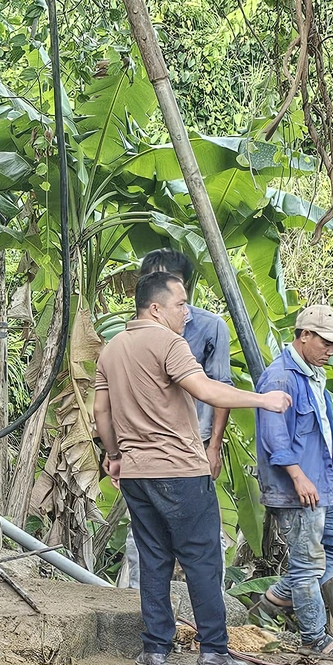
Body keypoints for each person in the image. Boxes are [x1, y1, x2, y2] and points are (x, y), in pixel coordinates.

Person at [93, 271, 291, 665]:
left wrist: (114, 455)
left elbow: (101, 412)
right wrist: (263, 399)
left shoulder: (111, 349)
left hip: (135, 475)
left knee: (153, 560)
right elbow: (207, 390)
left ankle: (155, 651)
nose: (187, 312)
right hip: (180, 472)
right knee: (203, 561)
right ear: (155, 308)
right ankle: (214, 652)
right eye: (181, 304)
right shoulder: (170, 342)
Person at [253, 305, 333, 662]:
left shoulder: (314, 374)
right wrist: (298, 477)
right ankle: (314, 638)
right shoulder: (280, 378)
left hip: (323, 483)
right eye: (326, 342)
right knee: (307, 564)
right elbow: (274, 437)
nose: (332, 350)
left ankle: (278, 595)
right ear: (304, 336)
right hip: (296, 488)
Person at [121, 249, 234, 587]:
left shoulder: (209, 327)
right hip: (145, 448)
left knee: (202, 534)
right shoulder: (129, 335)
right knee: (143, 537)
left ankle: (210, 617)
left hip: (192, 445)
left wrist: (213, 446)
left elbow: (218, 388)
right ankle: (138, 610)